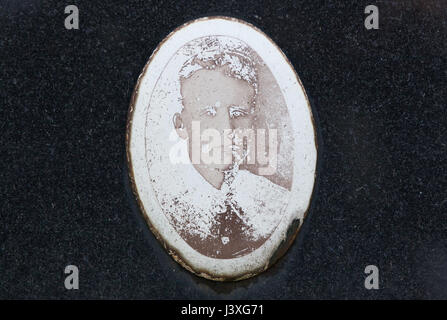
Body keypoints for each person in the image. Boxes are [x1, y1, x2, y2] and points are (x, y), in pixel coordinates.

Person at [166, 36, 291, 259]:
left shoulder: (275, 202)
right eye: (208, 113)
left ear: (252, 122)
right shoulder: (168, 204)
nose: (226, 129)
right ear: (180, 125)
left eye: (238, 114)